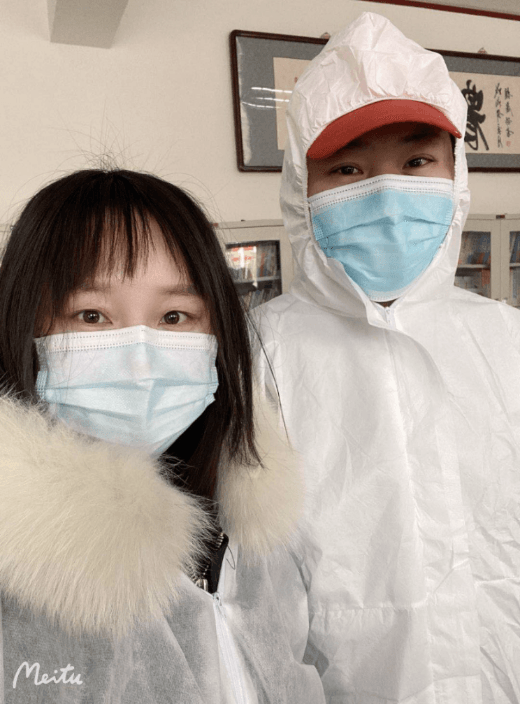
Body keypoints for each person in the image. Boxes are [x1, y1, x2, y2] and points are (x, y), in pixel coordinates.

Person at [255, 12, 520, 704]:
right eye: (347, 169)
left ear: (455, 172)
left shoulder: (505, 339)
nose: (387, 194)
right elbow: (255, 597)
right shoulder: (264, 356)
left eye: (416, 162)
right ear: (302, 188)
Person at [0, 168, 325, 703]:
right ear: (22, 324)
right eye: (91, 315)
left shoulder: (255, 514)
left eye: (174, 316)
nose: (141, 365)